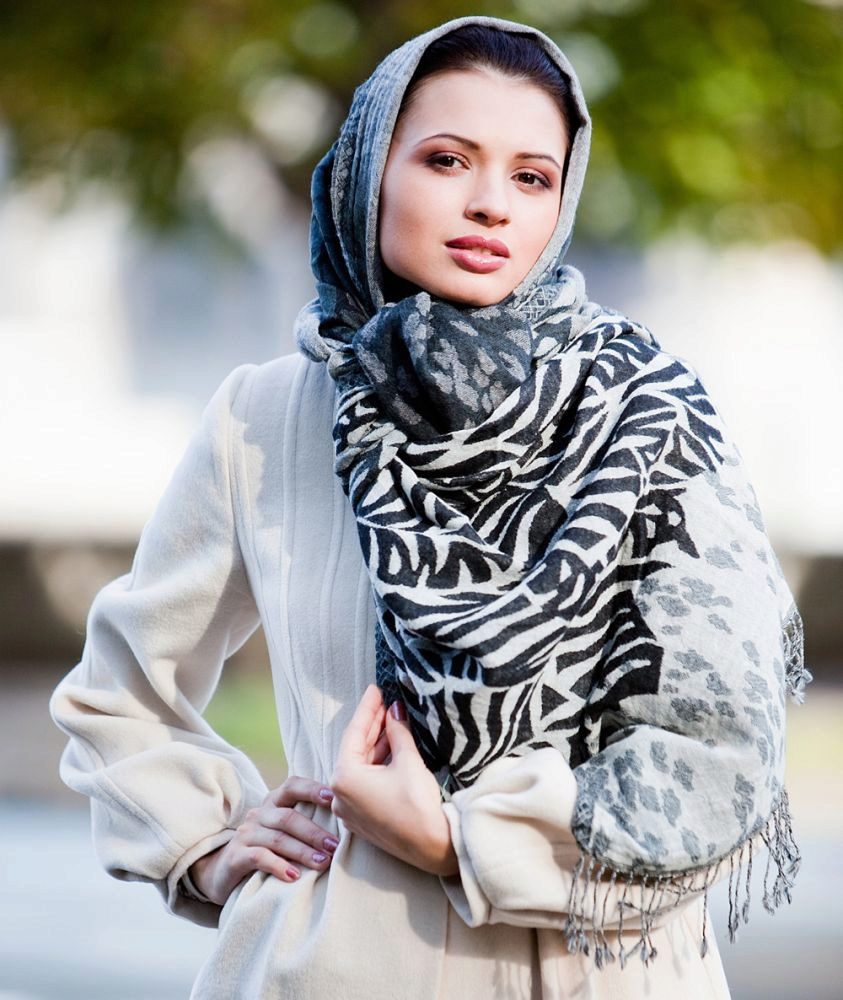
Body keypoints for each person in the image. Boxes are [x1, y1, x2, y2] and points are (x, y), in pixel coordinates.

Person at [50, 15, 809, 1000]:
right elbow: (119, 694)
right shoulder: (268, 414)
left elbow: (717, 751)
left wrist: (461, 840)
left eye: (531, 177)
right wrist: (207, 844)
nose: (491, 203)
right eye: (448, 160)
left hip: (604, 970)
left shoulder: (646, 415)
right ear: (370, 171)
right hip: (340, 967)